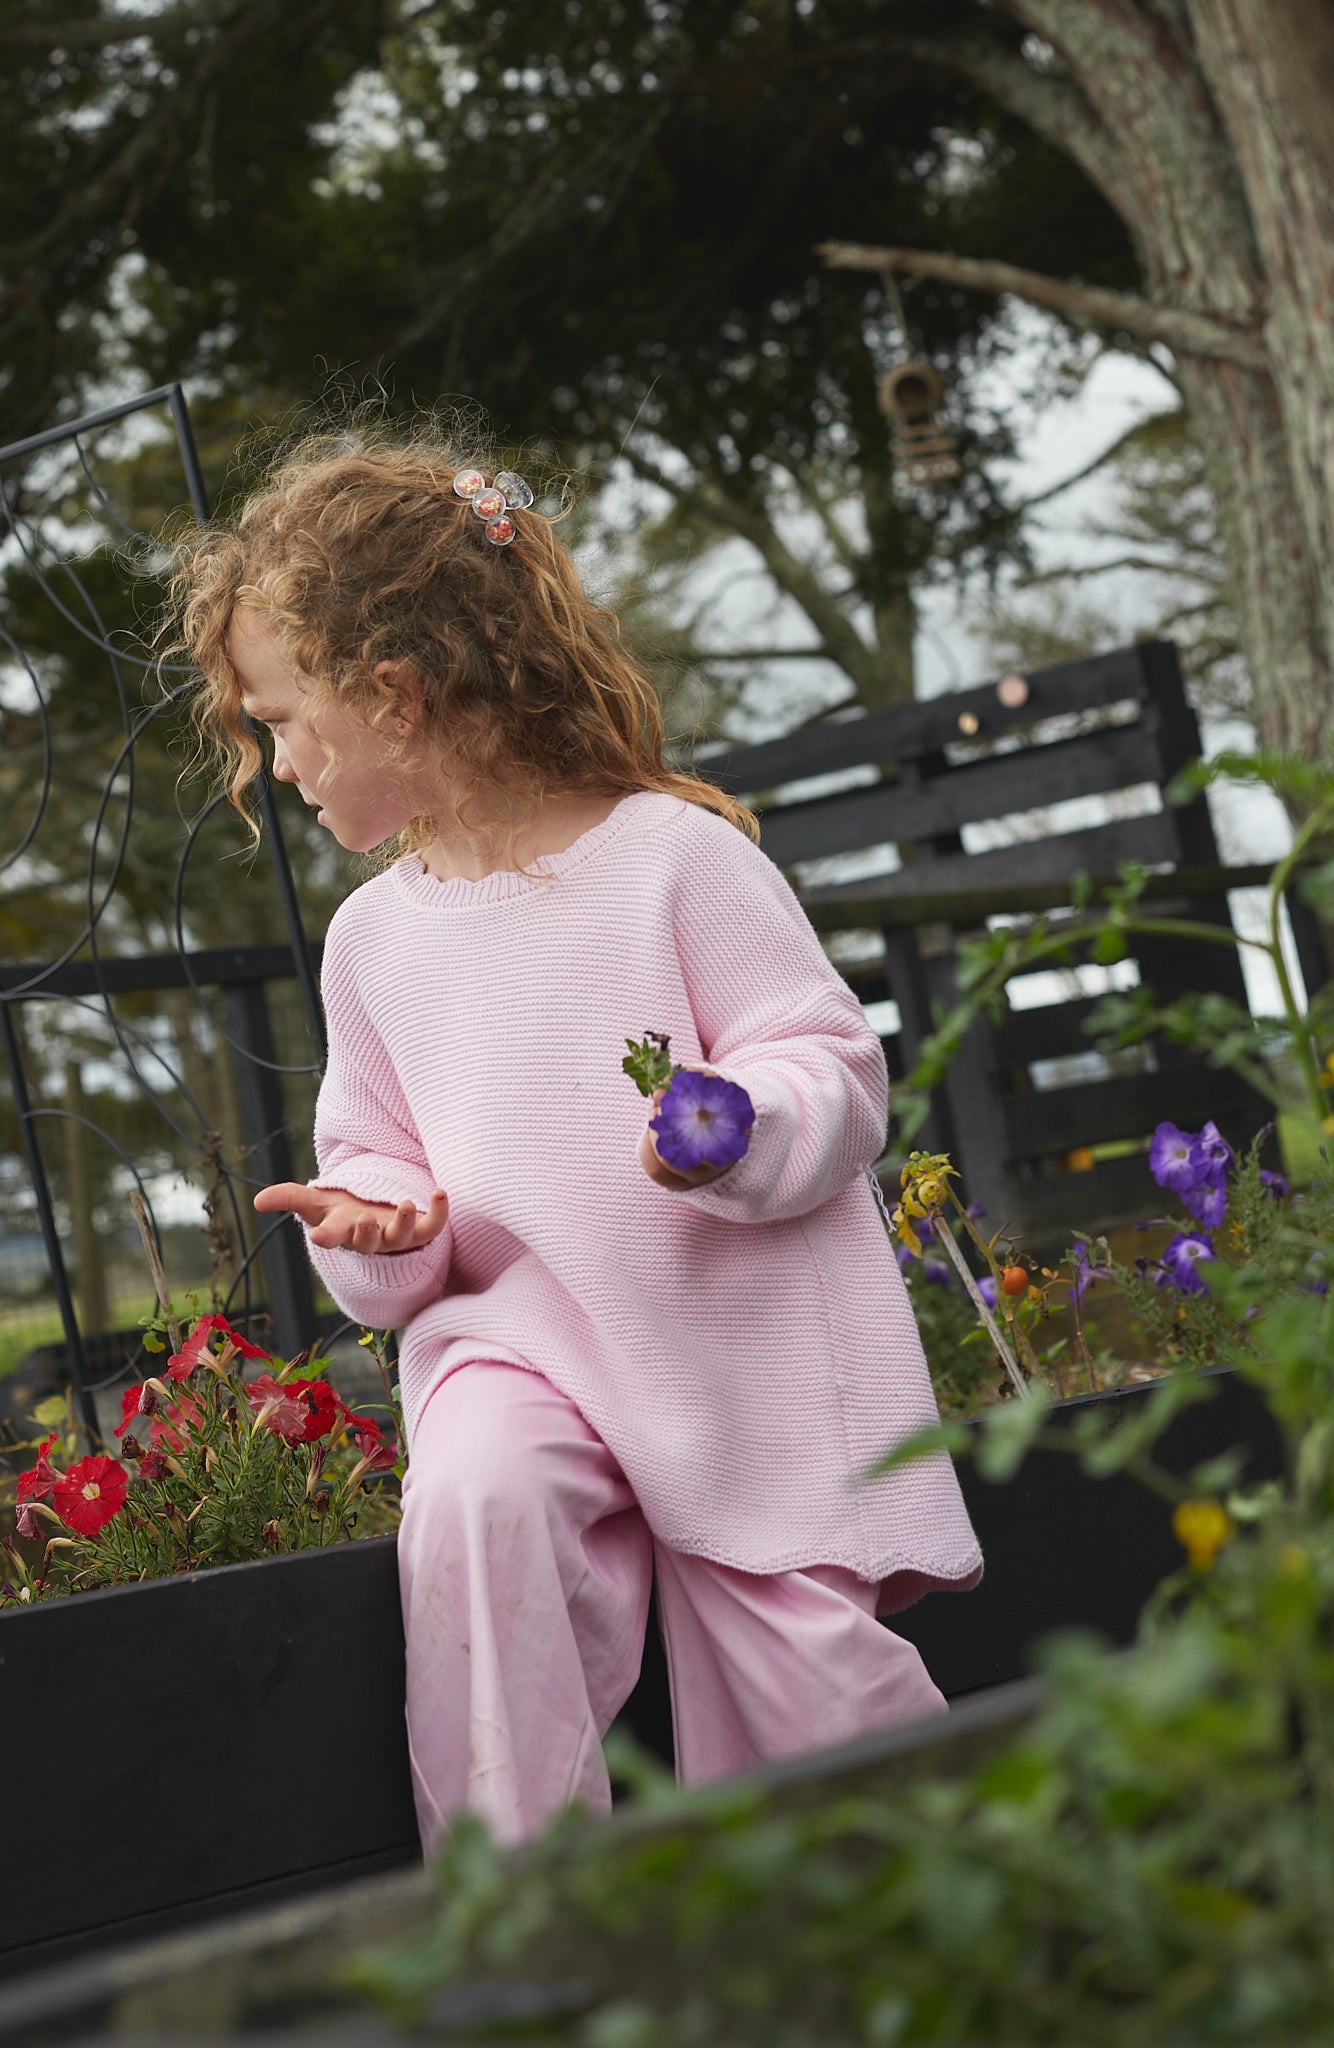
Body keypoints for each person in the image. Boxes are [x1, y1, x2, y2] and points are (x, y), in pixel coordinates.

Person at [169, 426, 983, 1855]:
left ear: (395, 696)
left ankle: (973, 1957)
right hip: (522, 1353)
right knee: (473, 1508)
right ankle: (516, 1918)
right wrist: (378, 1229)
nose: (275, 762)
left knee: (825, 1721)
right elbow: (376, 1159)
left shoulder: (671, 860)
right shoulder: (373, 944)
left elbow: (829, 1071)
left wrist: (737, 1134)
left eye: (281, 717)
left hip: (730, 1364)